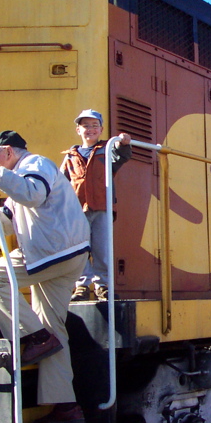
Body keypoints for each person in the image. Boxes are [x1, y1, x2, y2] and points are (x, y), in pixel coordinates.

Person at [0, 130, 90, 423]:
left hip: (54, 250)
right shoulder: (19, 179)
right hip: (64, 252)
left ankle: (35, 337)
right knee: (54, 326)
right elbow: (8, 222)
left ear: (7, 151)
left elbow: (34, 195)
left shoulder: (35, 164)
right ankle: (66, 405)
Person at [59, 109, 132, 299]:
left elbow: (121, 157)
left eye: (94, 126)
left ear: (101, 129)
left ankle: (103, 285)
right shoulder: (70, 156)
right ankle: (82, 285)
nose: (90, 129)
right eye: (85, 126)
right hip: (77, 210)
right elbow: (61, 182)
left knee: (102, 249)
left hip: (102, 207)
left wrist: (124, 144)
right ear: (78, 130)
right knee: (79, 249)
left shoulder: (107, 150)